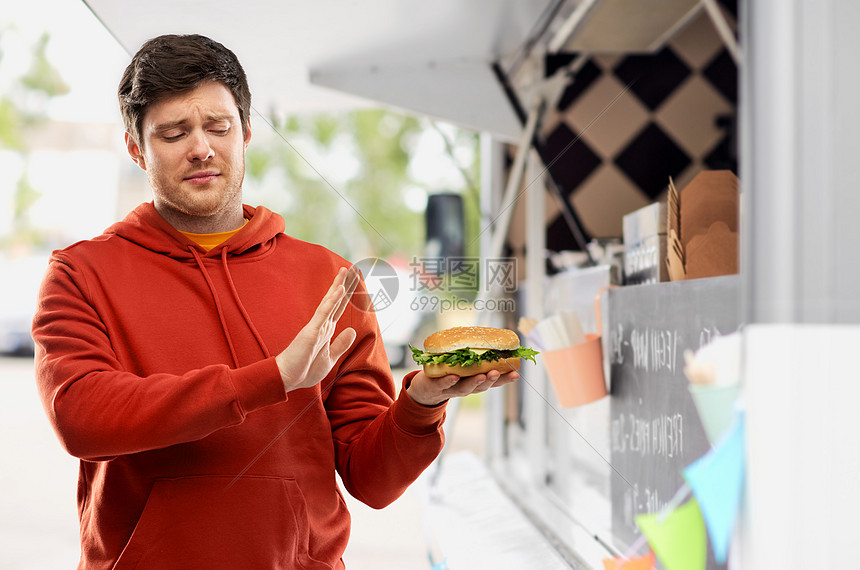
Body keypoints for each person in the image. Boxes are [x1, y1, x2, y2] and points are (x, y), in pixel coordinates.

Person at [31, 34, 518, 570]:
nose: (201, 147)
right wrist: (272, 378)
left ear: (246, 133)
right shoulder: (81, 272)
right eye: (173, 132)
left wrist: (422, 403)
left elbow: (372, 481)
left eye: (219, 127)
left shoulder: (329, 278)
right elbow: (83, 419)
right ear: (135, 148)